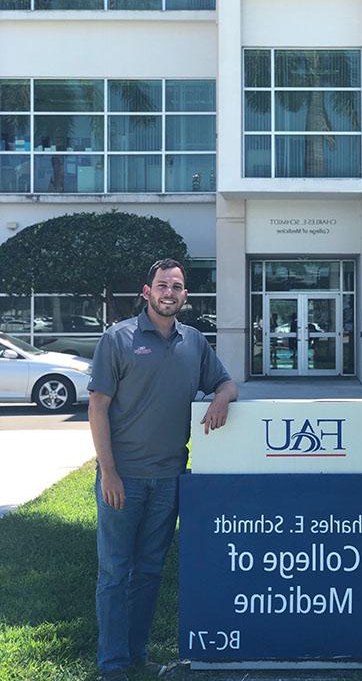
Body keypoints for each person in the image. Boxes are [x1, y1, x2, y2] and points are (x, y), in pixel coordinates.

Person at [88, 258, 237, 681]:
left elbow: (225, 382)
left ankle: (136, 655)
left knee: (149, 572)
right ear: (146, 291)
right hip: (125, 478)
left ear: (185, 296)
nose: (169, 292)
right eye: (162, 285)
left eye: (176, 286)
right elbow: (97, 406)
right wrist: (109, 472)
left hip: (171, 477)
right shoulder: (118, 339)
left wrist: (222, 398)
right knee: (115, 573)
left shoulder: (194, 342)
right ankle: (113, 664)